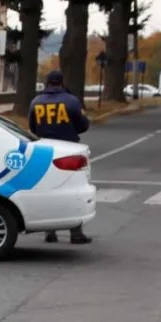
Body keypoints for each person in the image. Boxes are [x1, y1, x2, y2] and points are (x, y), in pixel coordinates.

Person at [28, 70, 92, 244]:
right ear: (62, 83)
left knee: (48, 189)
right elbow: (83, 125)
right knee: (73, 189)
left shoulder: (36, 102)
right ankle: (76, 232)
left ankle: (50, 231)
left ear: (47, 83)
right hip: (69, 150)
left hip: (45, 151)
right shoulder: (72, 101)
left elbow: (32, 128)